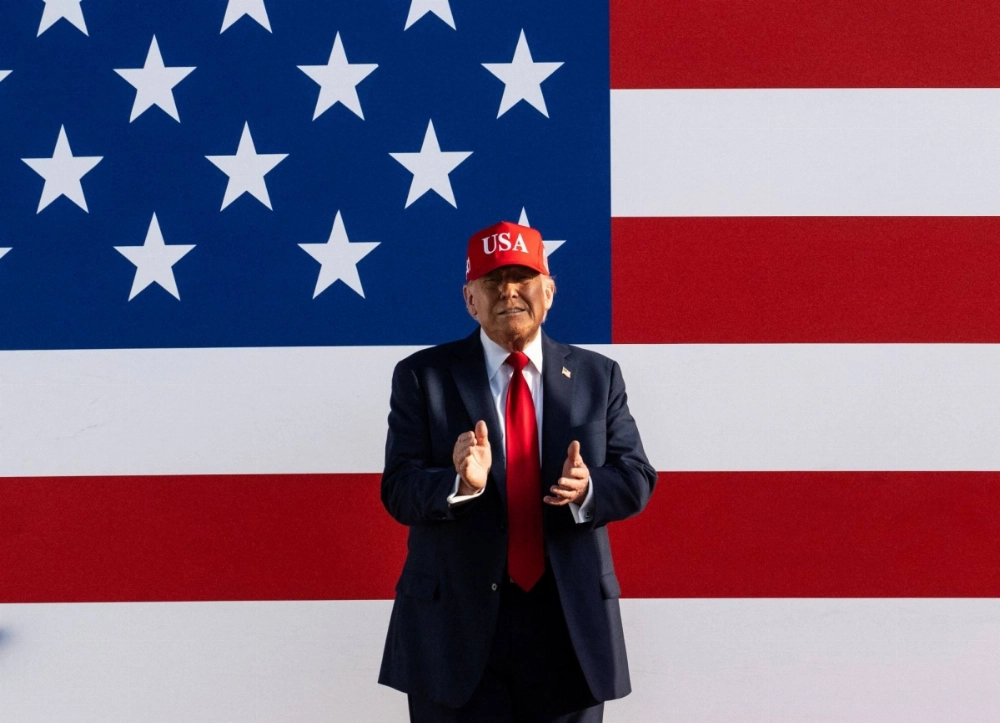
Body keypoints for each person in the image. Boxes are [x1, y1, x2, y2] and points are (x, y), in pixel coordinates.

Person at [379, 220, 657, 722]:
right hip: (454, 632)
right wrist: (459, 485)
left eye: (522, 278)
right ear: (470, 300)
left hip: (568, 629)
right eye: (492, 281)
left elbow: (636, 476)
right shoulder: (423, 376)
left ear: (547, 293)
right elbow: (399, 489)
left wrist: (587, 488)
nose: (509, 291)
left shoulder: (598, 376)